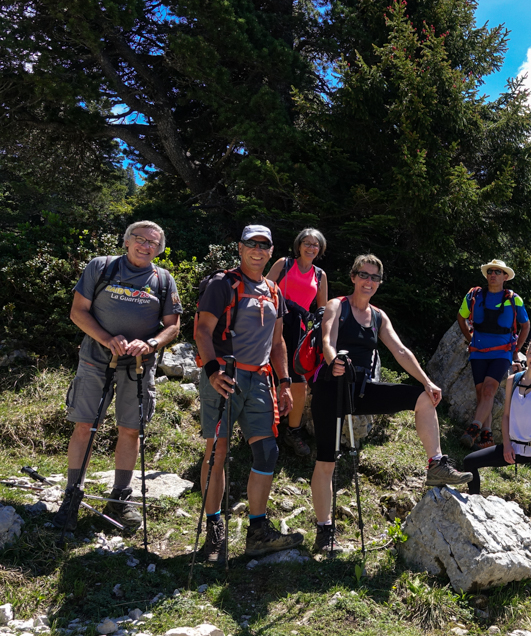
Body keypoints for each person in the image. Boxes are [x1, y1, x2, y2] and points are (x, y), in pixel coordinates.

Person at [309, 254, 472, 553]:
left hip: (361, 390)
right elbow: (327, 340)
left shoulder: (379, 316)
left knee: (422, 399)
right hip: (330, 388)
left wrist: (426, 381)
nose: (369, 281)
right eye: (364, 275)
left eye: (375, 277)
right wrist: (335, 362)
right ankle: (324, 529)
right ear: (353, 276)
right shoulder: (337, 305)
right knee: (326, 462)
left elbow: (400, 350)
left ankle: (436, 464)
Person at [54, 221, 182, 532]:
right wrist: (105, 338)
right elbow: (78, 311)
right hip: (96, 359)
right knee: (84, 425)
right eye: (139, 239)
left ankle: (120, 498)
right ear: (126, 241)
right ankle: (73, 494)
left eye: (153, 242)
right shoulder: (102, 267)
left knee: (131, 430)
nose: (145, 245)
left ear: (159, 249)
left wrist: (150, 343)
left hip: (139, 365)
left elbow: (173, 325)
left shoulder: (163, 280)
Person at [192, 224, 302, 562]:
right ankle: (214, 530)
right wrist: (212, 371)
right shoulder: (221, 284)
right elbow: (202, 329)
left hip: (260, 380)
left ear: (271, 251)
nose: (257, 250)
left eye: (264, 245)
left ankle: (257, 531)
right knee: (217, 452)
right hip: (225, 375)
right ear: (239, 248)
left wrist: (285, 382)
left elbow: (279, 341)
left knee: (267, 451)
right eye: (251, 244)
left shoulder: (273, 290)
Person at [462, 338, 531, 542]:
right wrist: (506, 444)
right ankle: (475, 512)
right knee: (469, 462)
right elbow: (505, 415)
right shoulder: (512, 380)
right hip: (514, 447)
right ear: (527, 353)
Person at [266, 227, 329, 457]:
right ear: (299, 245)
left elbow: (323, 307)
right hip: (275, 325)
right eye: (307, 243)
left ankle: (293, 431)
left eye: (315, 245)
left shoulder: (320, 275)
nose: (311, 248)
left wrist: (320, 327)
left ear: (320, 249)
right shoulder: (284, 264)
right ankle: (265, 428)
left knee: (299, 382)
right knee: (269, 375)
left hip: (301, 331)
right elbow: (264, 289)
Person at [457, 259, 530, 450]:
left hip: (502, 353)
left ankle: (473, 429)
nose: (493, 275)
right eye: (490, 271)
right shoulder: (474, 296)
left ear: (505, 277)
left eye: (498, 272)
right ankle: (487, 435)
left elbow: (525, 325)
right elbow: (461, 316)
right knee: (482, 394)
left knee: (489, 390)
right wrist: (469, 338)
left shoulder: (514, 299)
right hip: (478, 352)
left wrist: (516, 349)